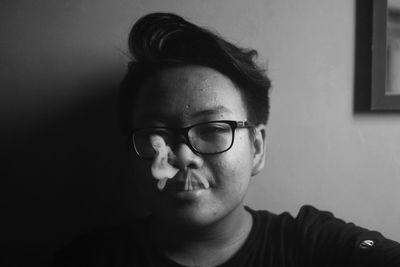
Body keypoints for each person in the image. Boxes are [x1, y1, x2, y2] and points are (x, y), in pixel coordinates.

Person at [54, 12, 400, 267]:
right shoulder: (90, 258)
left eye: (213, 129)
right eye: (156, 134)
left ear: (257, 149)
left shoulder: (313, 246)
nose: (183, 156)